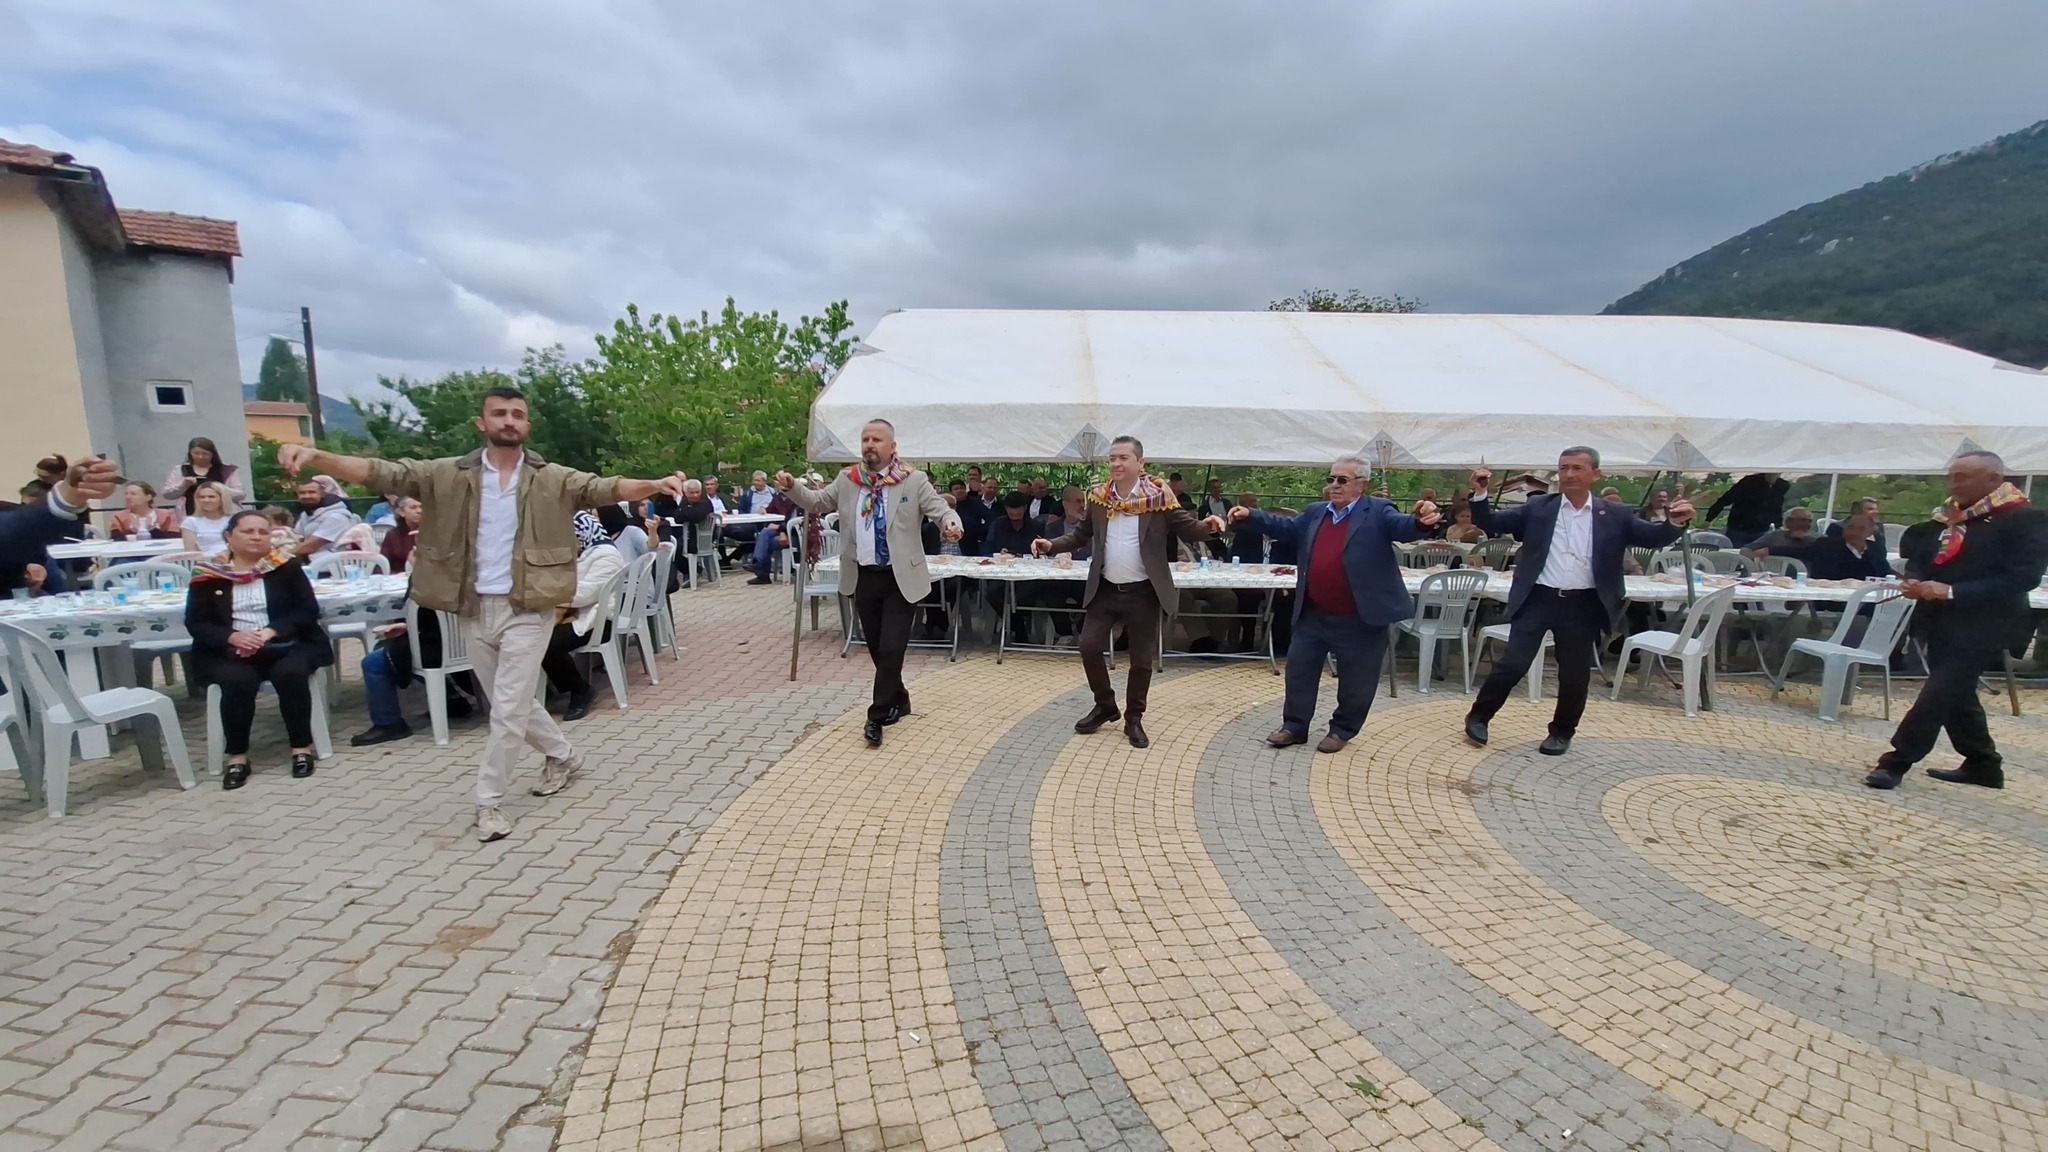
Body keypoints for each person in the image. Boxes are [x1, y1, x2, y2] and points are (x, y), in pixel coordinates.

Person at [277, 386, 686, 842]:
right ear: (482, 422)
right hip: (473, 608)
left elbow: (605, 486)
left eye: (517, 414)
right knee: (511, 703)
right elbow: (382, 472)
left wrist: (654, 484)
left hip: (529, 606)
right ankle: (563, 755)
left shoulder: (553, 478)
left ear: (527, 424)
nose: (509, 420)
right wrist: (317, 457)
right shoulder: (447, 474)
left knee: (506, 710)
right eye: (499, 413)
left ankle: (488, 802)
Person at [1463, 447, 1693, 755]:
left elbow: (1653, 538)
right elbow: (1491, 521)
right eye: (1564, 467)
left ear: (1595, 474)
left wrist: (1674, 523)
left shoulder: (1615, 514)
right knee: (1513, 664)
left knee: (1574, 673)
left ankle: (1562, 732)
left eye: (1577, 468)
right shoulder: (1539, 508)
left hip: (1583, 604)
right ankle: (1479, 717)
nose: (1569, 474)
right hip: (1538, 598)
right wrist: (1480, 493)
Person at [1866, 452, 2048, 791]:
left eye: (1963, 477)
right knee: (1957, 693)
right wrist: (1916, 579)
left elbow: (2023, 577)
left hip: (1987, 622)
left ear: (1994, 480)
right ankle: (1984, 765)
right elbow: (1925, 558)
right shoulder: (1951, 516)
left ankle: (1895, 761)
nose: (1954, 484)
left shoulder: (2023, 517)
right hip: (1940, 617)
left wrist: (1952, 591)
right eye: (1952, 476)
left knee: (1940, 691)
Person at [1230, 458, 1437, 750]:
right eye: (1331, 479)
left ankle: (1342, 730)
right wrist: (1250, 514)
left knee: (1357, 681)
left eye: (1342, 480)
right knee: (1299, 672)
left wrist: (1420, 521)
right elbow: (1285, 527)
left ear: (1362, 484)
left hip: (1360, 617)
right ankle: (1294, 726)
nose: (1334, 485)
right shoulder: (1317, 512)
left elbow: (1404, 527)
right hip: (1314, 612)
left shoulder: (1378, 511)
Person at [777, 420, 962, 746]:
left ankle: (877, 716)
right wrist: (792, 486)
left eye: (877, 439)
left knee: (892, 647)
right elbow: (817, 502)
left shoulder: (913, 480)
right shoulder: (848, 480)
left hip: (901, 578)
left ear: (892, 447)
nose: (869, 444)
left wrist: (951, 523)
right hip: (864, 576)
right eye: (865, 439)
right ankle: (900, 698)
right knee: (878, 648)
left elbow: (940, 510)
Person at [1032, 437, 1224, 748]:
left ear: (1140, 463)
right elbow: (1080, 535)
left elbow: (1189, 528)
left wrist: (1211, 525)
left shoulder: (1158, 497)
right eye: (1112, 458)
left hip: (1143, 592)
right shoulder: (1099, 497)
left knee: (1141, 660)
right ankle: (1106, 705)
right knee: (1088, 646)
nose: (1116, 463)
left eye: (1123, 458)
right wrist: (1050, 545)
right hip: (1105, 588)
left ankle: (1134, 718)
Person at [184, 511, 334, 789]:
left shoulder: (285, 567)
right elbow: (197, 622)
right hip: (231, 650)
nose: (256, 537)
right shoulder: (208, 574)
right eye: (248, 531)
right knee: (236, 681)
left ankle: (301, 748)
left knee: (291, 674)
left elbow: (307, 610)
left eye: (263, 532)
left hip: (285, 643)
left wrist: (269, 632)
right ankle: (237, 756)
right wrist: (234, 637)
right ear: (229, 536)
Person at [540, 511, 629, 721]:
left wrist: (544, 589)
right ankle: (549, 690)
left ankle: (580, 691)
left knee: (546, 643)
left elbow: (583, 596)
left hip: (597, 621)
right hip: (577, 614)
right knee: (529, 635)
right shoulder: (587, 552)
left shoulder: (606, 555)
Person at [1751, 513, 1892, 581]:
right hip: (1833, 597)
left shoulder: (1876, 549)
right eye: (1850, 527)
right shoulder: (1828, 544)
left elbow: (1884, 571)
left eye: (1860, 529)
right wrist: (1770, 550)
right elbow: (1800, 551)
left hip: (1867, 597)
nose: (1854, 532)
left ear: (1870, 532)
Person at [161, 437, 245, 515]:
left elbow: (240, 495)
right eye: (196, 453)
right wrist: (183, 485)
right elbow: (167, 495)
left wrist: (217, 488)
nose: (200, 457)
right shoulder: (180, 470)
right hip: (190, 513)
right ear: (190, 453)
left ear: (212, 454)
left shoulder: (225, 471)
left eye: (205, 454)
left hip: (222, 514)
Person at [1704, 472, 1789, 548]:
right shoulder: (1749, 482)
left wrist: (1778, 525)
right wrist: (1708, 519)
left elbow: (1776, 507)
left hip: (1761, 528)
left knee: (1756, 555)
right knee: (1734, 554)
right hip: (1739, 527)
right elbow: (1726, 499)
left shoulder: (1781, 485)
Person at [293, 476, 362, 556]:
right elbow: (298, 539)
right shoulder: (305, 515)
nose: (307, 496)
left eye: (312, 492)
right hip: (310, 559)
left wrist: (284, 555)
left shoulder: (337, 517)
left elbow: (310, 546)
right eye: (302, 493)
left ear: (322, 494)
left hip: (333, 561)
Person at [109, 481, 181, 540]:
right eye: (126, 494)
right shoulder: (119, 517)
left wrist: (153, 531)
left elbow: (174, 538)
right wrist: (133, 532)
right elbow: (116, 540)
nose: (127, 497)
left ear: (148, 497)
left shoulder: (167, 515)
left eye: (133, 494)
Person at [1742, 506, 1816, 553]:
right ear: (1788, 522)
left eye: (1809, 521)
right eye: (1803, 520)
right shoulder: (1776, 535)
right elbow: (1746, 549)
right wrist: (1752, 559)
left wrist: (1806, 538)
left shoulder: (1817, 539)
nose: (1807, 524)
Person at [380, 497, 424, 573]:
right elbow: (381, 564)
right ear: (401, 512)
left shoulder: (434, 533)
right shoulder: (393, 535)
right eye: (413, 507)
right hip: (398, 577)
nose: (419, 511)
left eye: (422, 507)